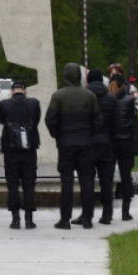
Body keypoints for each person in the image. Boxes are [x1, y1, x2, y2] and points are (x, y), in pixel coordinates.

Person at [45, 63, 103, 230]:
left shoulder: (58, 96)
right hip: (86, 144)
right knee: (87, 180)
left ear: (65, 75)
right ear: (79, 75)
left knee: (66, 182)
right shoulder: (90, 96)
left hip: (66, 145)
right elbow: (98, 121)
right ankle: (87, 219)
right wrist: (89, 134)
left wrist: (58, 135)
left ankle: (65, 219)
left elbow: (50, 120)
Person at [74, 69, 118, 225]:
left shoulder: (83, 98)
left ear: (88, 81)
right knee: (106, 180)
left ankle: (87, 215)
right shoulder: (112, 99)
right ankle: (107, 214)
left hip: (87, 144)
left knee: (86, 180)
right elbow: (115, 124)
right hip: (106, 144)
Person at [0, 81, 41, 229]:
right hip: (29, 149)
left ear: (11, 91)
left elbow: (1, 120)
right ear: (25, 90)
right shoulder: (34, 103)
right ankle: (29, 219)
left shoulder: (4, 104)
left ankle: (15, 219)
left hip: (11, 149)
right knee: (29, 183)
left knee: (12, 183)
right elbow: (36, 121)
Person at [109, 74, 137, 221]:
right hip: (126, 141)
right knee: (126, 176)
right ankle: (126, 210)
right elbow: (132, 121)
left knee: (108, 176)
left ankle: (108, 212)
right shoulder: (129, 101)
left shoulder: (108, 99)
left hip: (111, 141)